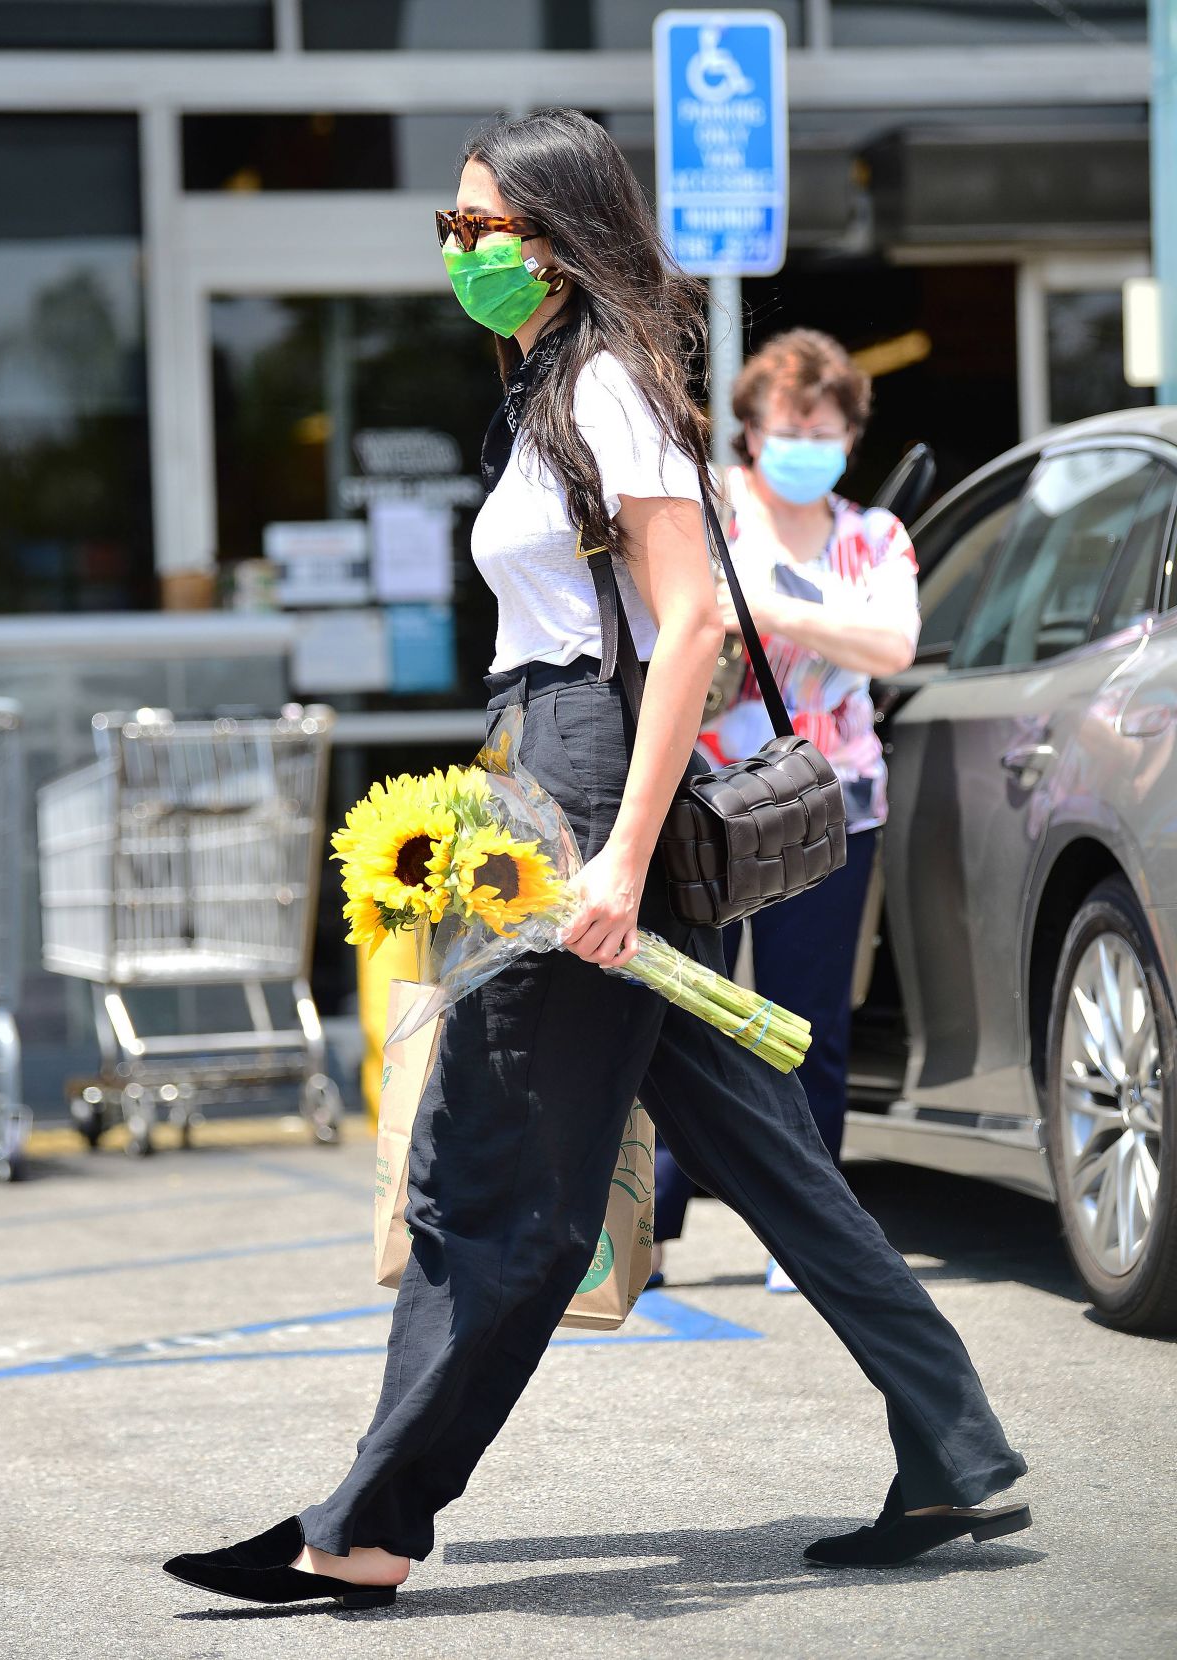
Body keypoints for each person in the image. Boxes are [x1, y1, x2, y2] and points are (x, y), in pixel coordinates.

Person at [162, 109, 1030, 1609]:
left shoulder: (613, 383)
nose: (459, 253)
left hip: (580, 788)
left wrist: (617, 857)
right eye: (451, 230)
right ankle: (954, 1440)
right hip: (548, 765)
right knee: (759, 1139)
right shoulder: (559, 382)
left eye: (475, 228)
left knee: (490, 1170)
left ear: (553, 241)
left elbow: (688, 622)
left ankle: (364, 1527)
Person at [652, 329, 921, 1293]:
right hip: (705, 804)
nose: (806, 438)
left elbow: (894, 644)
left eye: (826, 424)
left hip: (828, 805)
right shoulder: (707, 512)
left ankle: (804, 1234)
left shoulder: (873, 537)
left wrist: (773, 609)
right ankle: (654, 1223)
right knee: (688, 1015)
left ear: (850, 431)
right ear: (752, 430)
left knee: (812, 1024)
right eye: (788, 423)